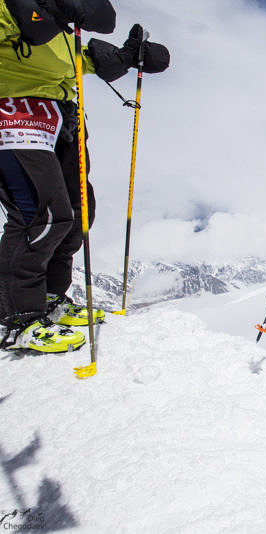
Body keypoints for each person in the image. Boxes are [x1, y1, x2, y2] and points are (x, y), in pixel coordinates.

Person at [0, 0, 169, 352]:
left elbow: (74, 61)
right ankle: (17, 318)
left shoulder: (57, 21)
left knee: (77, 214)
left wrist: (125, 58)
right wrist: (40, 13)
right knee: (41, 216)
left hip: (60, 117)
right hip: (13, 112)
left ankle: (50, 298)